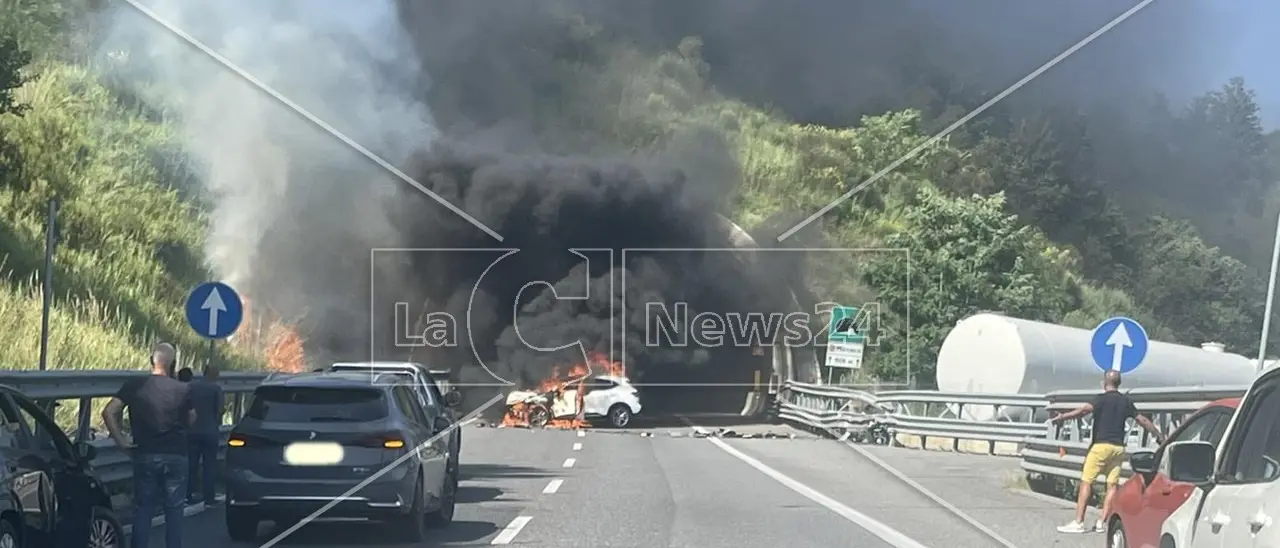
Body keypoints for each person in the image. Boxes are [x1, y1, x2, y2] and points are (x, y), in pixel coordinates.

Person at [102, 342, 195, 548]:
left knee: (143, 509)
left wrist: (122, 441)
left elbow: (109, 412)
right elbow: (191, 420)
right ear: (173, 364)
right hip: (176, 454)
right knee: (174, 511)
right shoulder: (183, 389)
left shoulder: (135, 385)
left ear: (151, 360)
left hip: (145, 454)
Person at [1051, 370, 1164, 533]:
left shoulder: (1100, 399)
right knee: (1112, 485)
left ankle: (1079, 522)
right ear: (1119, 383)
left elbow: (1083, 410)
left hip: (1100, 446)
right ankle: (1101, 522)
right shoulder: (1126, 401)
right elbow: (1142, 420)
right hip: (1118, 449)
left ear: (1104, 382)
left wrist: (1063, 417)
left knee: (1087, 481)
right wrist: (1159, 435)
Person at [187, 363, 224, 505]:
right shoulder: (216, 388)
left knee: (192, 464)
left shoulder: (192, 386)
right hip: (210, 431)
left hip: (192, 431)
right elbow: (220, 410)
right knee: (209, 465)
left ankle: (188, 494)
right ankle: (209, 496)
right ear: (215, 374)